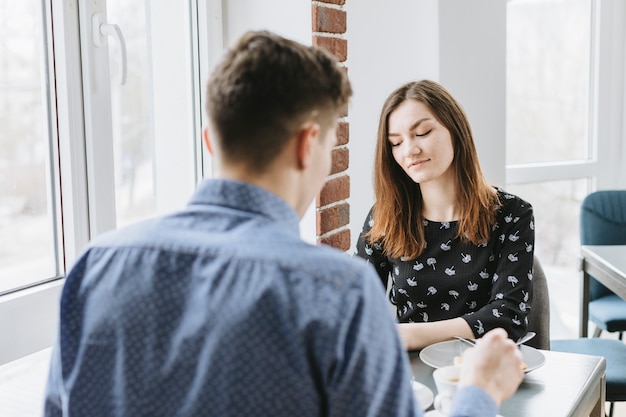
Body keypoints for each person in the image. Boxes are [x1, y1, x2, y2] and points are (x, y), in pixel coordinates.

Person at [43, 31, 524, 417]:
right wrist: (479, 393)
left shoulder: (94, 266)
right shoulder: (336, 290)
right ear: (306, 145)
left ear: (211, 142)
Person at [355, 80, 535, 351]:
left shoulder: (513, 214)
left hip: (485, 367)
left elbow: (509, 315)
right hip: (409, 372)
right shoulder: (385, 215)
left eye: (423, 132)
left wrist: (409, 335)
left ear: (455, 130)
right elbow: (356, 302)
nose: (409, 151)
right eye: (396, 142)